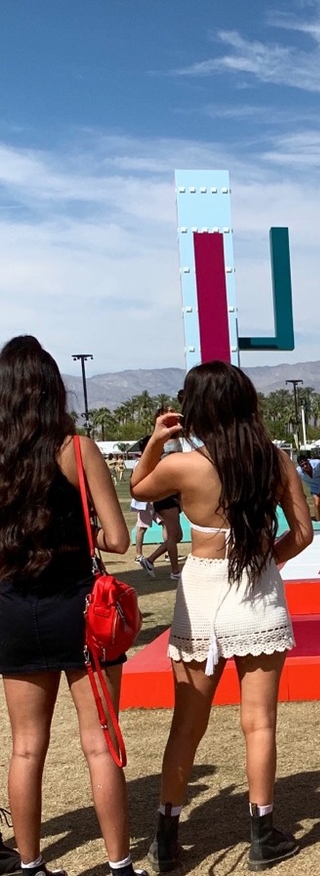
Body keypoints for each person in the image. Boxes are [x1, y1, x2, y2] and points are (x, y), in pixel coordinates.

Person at [130, 362, 313, 872]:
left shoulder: (185, 466)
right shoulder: (275, 460)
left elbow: (139, 488)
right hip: (257, 596)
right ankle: (262, 832)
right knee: (259, 724)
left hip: (202, 597)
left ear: (197, 409)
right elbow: (301, 534)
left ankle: (166, 836)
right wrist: (263, 561)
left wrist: (155, 439)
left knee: (186, 725)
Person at [0, 335, 145, 876]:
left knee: (26, 749)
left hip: (13, 607)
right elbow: (116, 539)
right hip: (81, 613)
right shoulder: (75, 449)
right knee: (99, 743)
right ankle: (119, 865)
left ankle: (31, 865)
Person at [135, 407, 183, 581]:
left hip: (173, 492)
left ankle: (150, 559)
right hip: (165, 493)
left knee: (177, 535)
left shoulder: (175, 439)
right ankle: (175, 571)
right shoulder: (155, 442)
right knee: (173, 534)